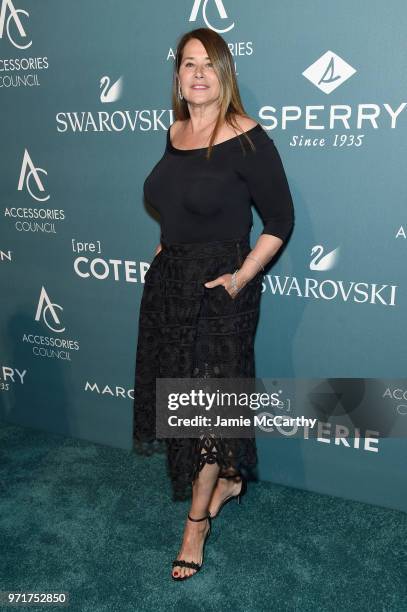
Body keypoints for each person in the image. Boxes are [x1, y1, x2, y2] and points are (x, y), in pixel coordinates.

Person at [133, 27, 294, 581]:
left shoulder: (248, 135)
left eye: (209, 63)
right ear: (177, 75)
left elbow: (279, 221)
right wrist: (165, 250)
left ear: (225, 74)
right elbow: (177, 203)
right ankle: (228, 479)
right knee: (182, 399)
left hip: (221, 290)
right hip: (171, 286)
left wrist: (242, 276)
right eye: (188, 63)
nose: (197, 72)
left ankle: (196, 525)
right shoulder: (175, 131)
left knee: (205, 403)